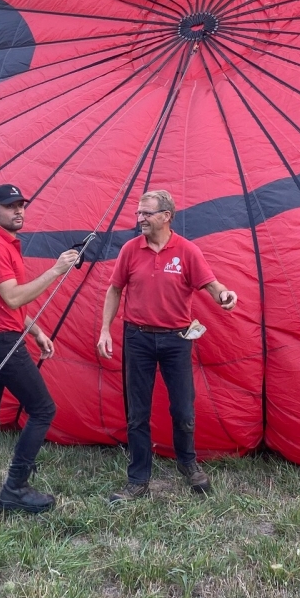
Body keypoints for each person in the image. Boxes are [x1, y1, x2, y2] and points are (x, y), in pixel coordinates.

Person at [97, 189, 237, 501]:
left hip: (177, 340)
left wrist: (225, 296)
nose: (140, 219)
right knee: (137, 413)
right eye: (138, 213)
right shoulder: (130, 250)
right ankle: (138, 479)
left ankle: (188, 464)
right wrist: (105, 329)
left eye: (146, 213)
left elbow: (211, 286)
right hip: (138, 338)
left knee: (183, 408)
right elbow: (114, 290)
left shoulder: (187, 251)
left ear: (166, 216)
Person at [0, 183, 79, 517]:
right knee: (43, 410)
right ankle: (15, 489)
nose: (19, 211)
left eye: (22, 205)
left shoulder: (6, 244)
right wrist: (56, 270)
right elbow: (12, 297)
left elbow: (0, 304)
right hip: (1, 345)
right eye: (10, 206)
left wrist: (36, 331)